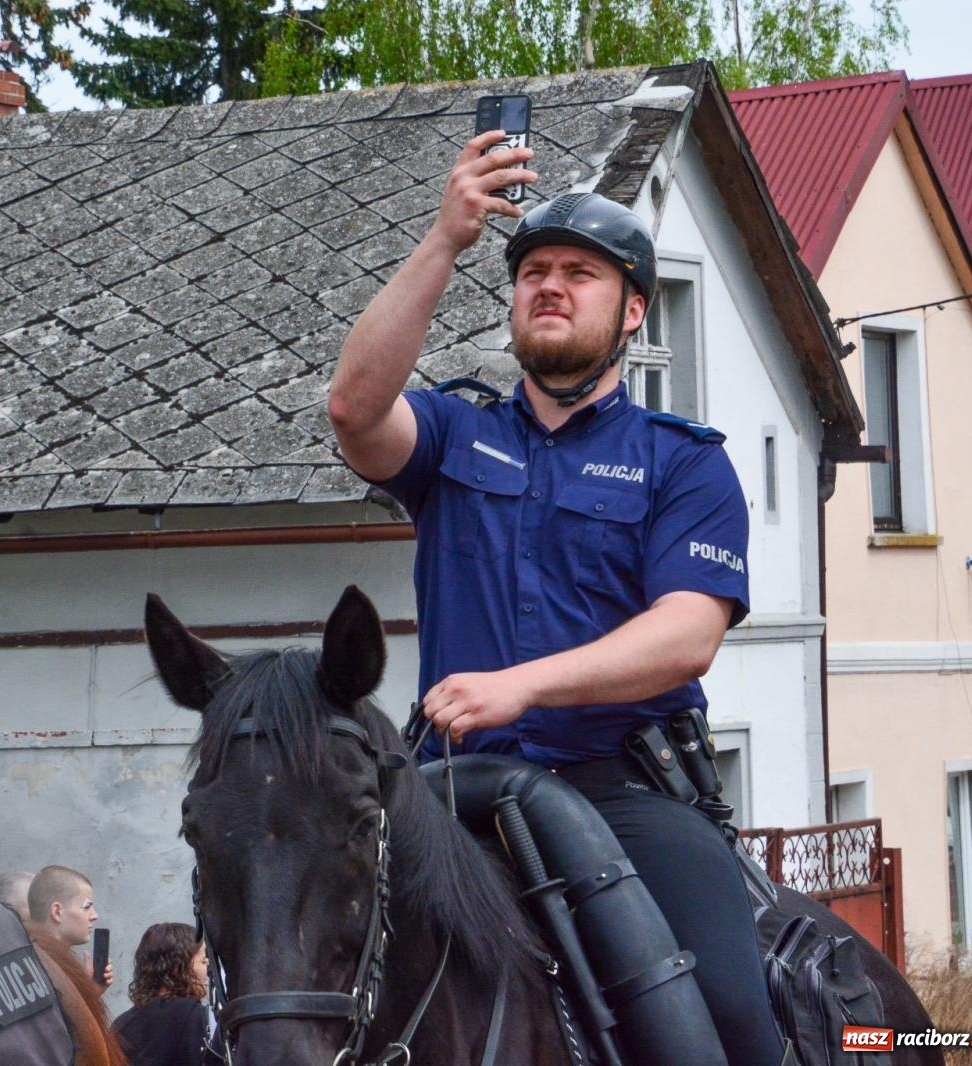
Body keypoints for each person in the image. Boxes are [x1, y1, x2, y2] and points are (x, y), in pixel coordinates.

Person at [328, 130, 784, 1065]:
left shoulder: (684, 462)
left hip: (621, 794)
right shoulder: (453, 436)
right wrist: (445, 240)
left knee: (734, 1017)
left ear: (632, 313)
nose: (551, 284)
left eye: (582, 272)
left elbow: (687, 635)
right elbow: (354, 411)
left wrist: (524, 686)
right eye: (534, 269)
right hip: (450, 793)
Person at [112, 923, 210, 1066]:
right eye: (203, 961)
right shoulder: (190, 1013)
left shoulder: (121, 1024)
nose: (209, 970)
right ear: (178, 967)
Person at [28, 864, 113, 987]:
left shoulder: (35, 959)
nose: (95, 915)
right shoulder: (42, 969)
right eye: (87, 907)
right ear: (57, 912)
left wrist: (92, 991)